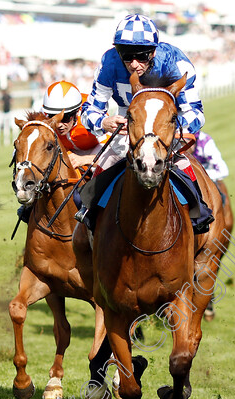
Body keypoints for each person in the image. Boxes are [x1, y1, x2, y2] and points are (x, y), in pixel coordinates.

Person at [77, 14, 213, 234]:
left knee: (181, 165)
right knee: (103, 164)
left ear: (154, 51)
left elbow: (195, 113)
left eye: (141, 56)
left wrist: (170, 129)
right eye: (126, 55)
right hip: (127, 126)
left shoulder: (175, 62)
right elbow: (90, 111)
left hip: (166, 127)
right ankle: (89, 219)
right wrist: (104, 121)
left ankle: (199, 212)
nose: (133, 64)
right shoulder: (109, 62)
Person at [15, 80, 102, 223]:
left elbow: (117, 154)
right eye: (54, 118)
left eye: (66, 118)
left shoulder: (93, 117)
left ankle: (97, 214)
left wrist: (86, 159)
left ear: (77, 112)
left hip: (96, 149)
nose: (60, 125)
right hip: (68, 150)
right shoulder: (47, 115)